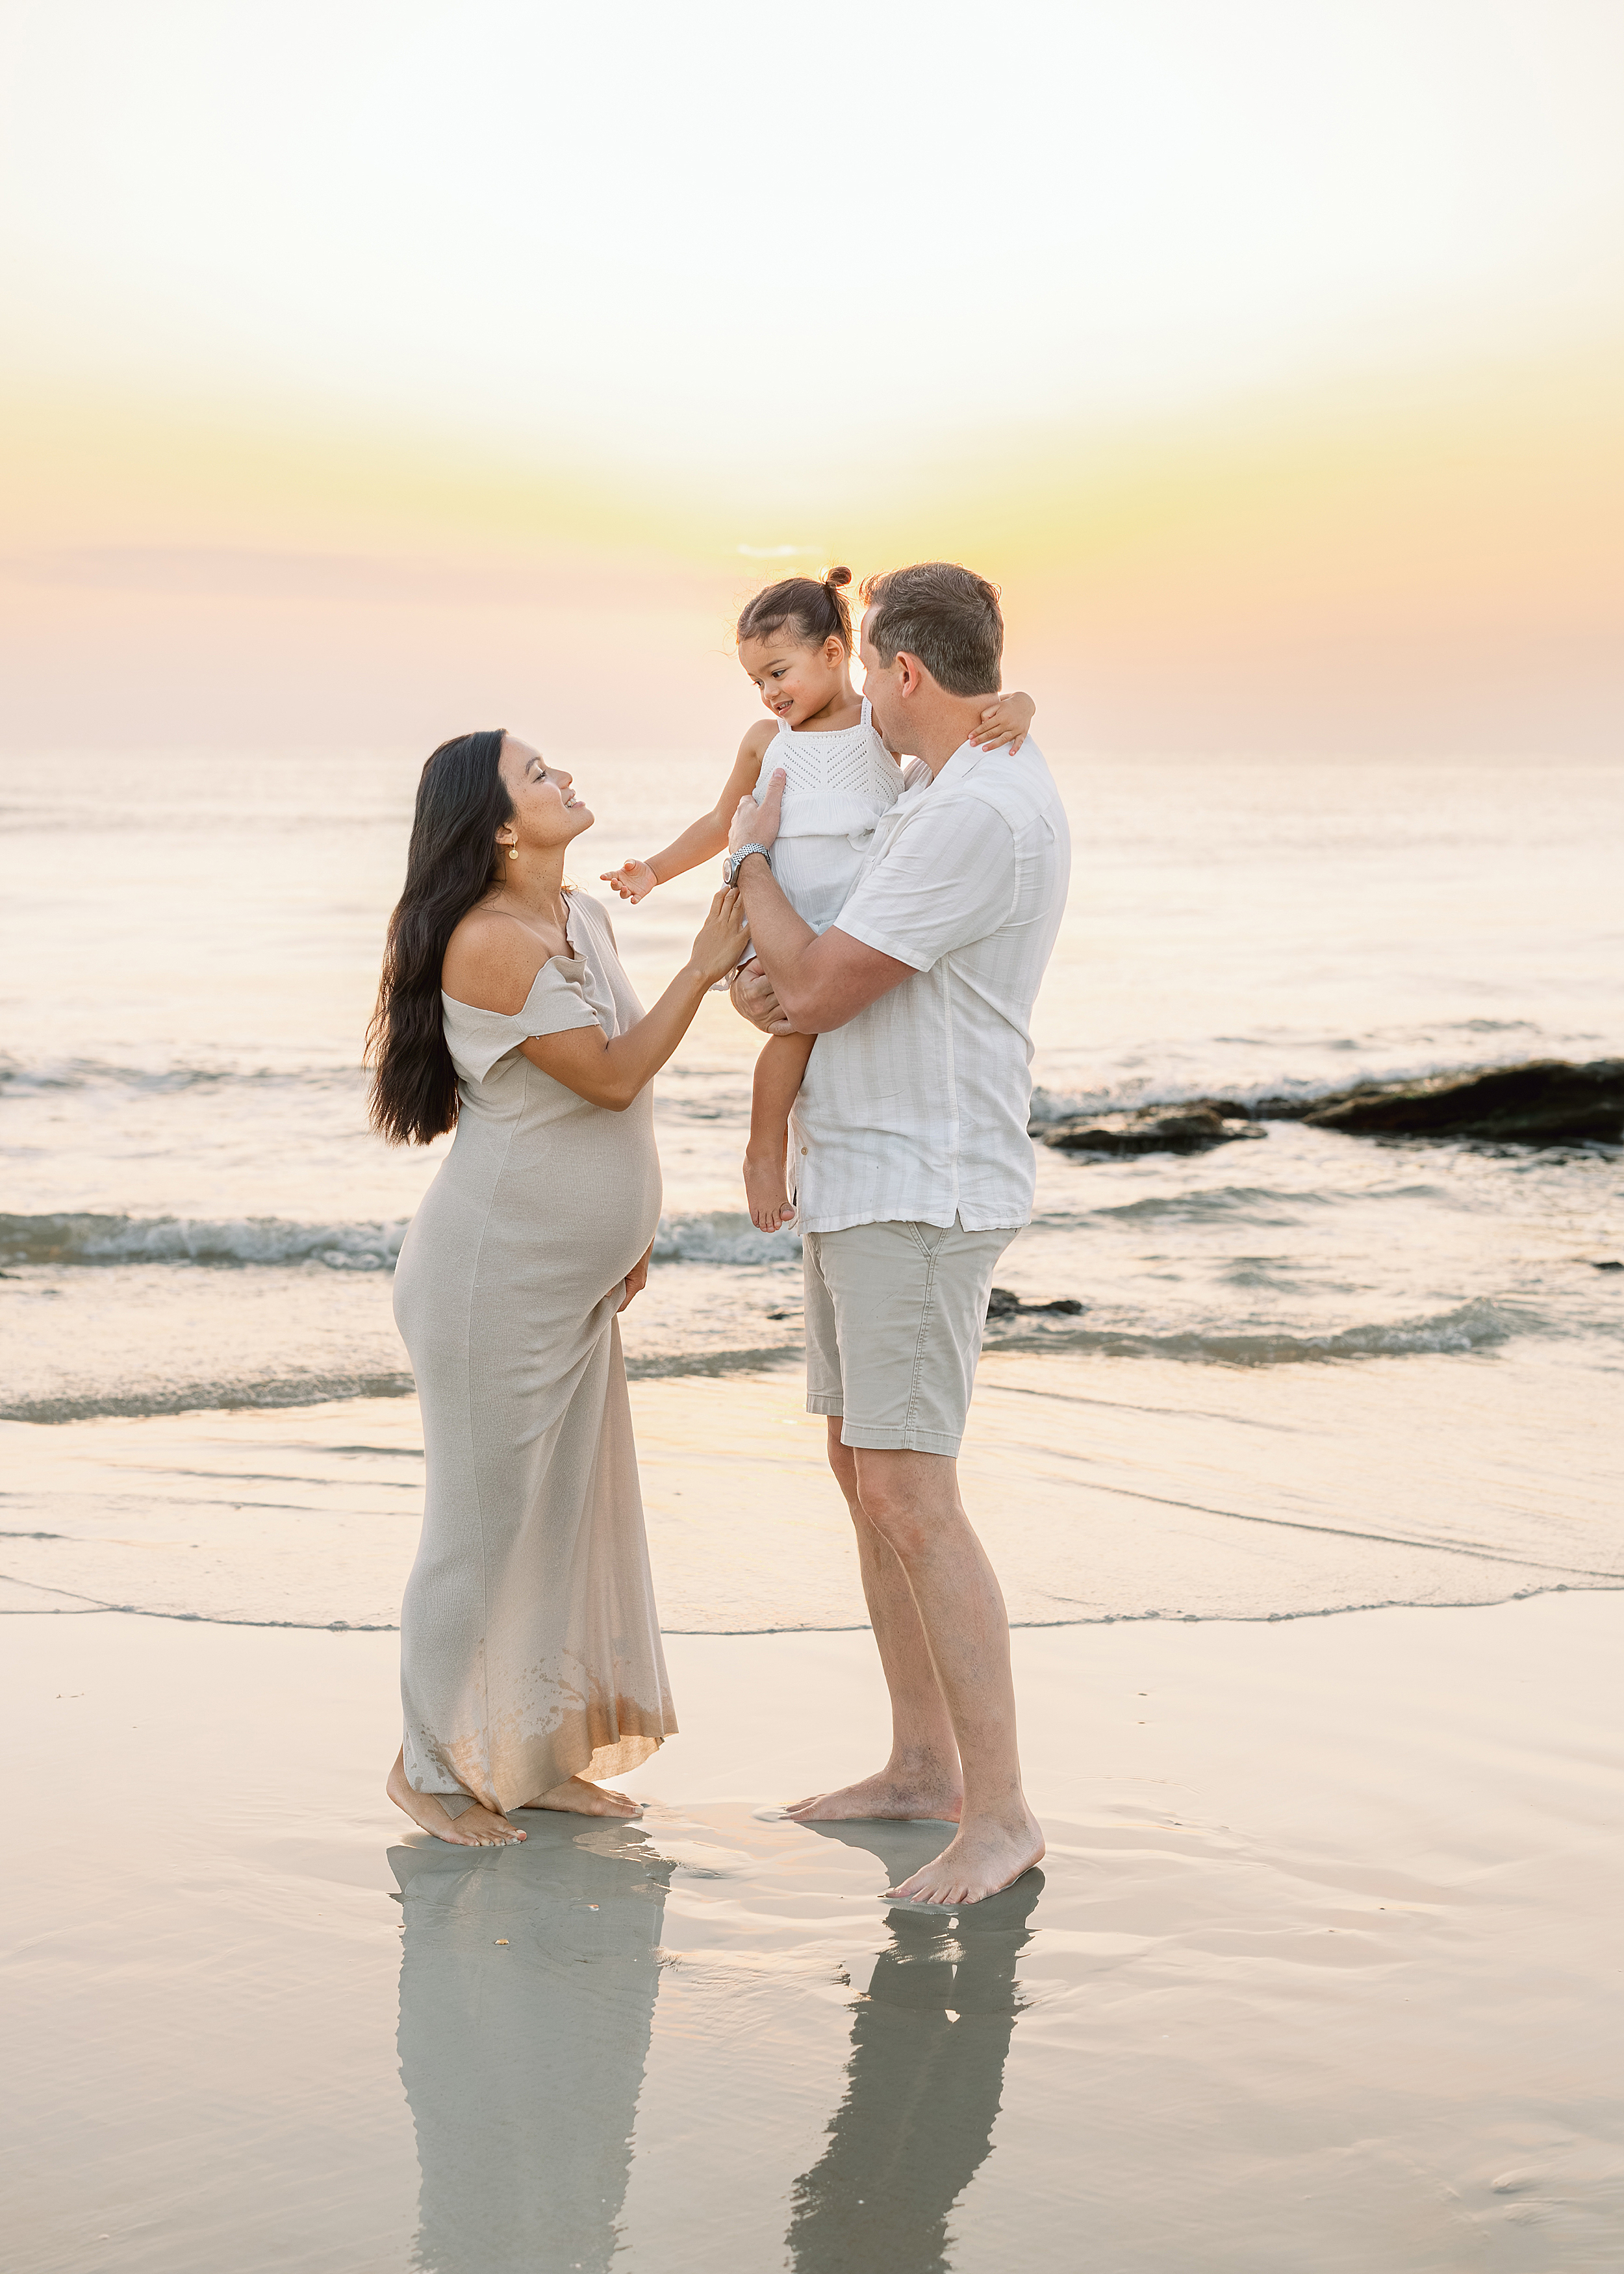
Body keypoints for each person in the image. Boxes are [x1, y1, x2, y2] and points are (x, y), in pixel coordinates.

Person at [724, 563, 1071, 1906]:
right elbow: (818, 985)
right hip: (856, 1177)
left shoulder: (975, 810)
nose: (858, 694)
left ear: (905, 673)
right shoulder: (936, 789)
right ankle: (922, 1765)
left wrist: (748, 861)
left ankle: (1000, 1812)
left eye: (868, 669)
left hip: (920, 1190)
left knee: (913, 1497)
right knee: (862, 1475)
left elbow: (815, 978)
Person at [368, 729, 748, 1848]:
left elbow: (621, 1102)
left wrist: (637, 1223)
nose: (564, 776)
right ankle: (427, 1768)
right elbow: (616, 1075)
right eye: (537, 775)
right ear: (494, 826)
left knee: (560, 1523)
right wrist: (704, 964)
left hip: (569, 1278)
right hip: (492, 1282)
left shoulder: (578, 915)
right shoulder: (488, 942)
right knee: (480, 1535)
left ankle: (530, 1761)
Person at [600, 567, 1035, 1230]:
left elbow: (965, 707)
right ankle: (763, 1149)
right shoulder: (764, 741)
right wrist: (653, 871)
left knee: (812, 1025)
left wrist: (1022, 705)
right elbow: (724, 822)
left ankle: (789, 1151)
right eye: (757, 681)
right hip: (789, 906)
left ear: (834, 655)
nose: (770, 692)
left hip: (855, 907)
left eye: (779, 672)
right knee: (791, 1033)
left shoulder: (878, 721)